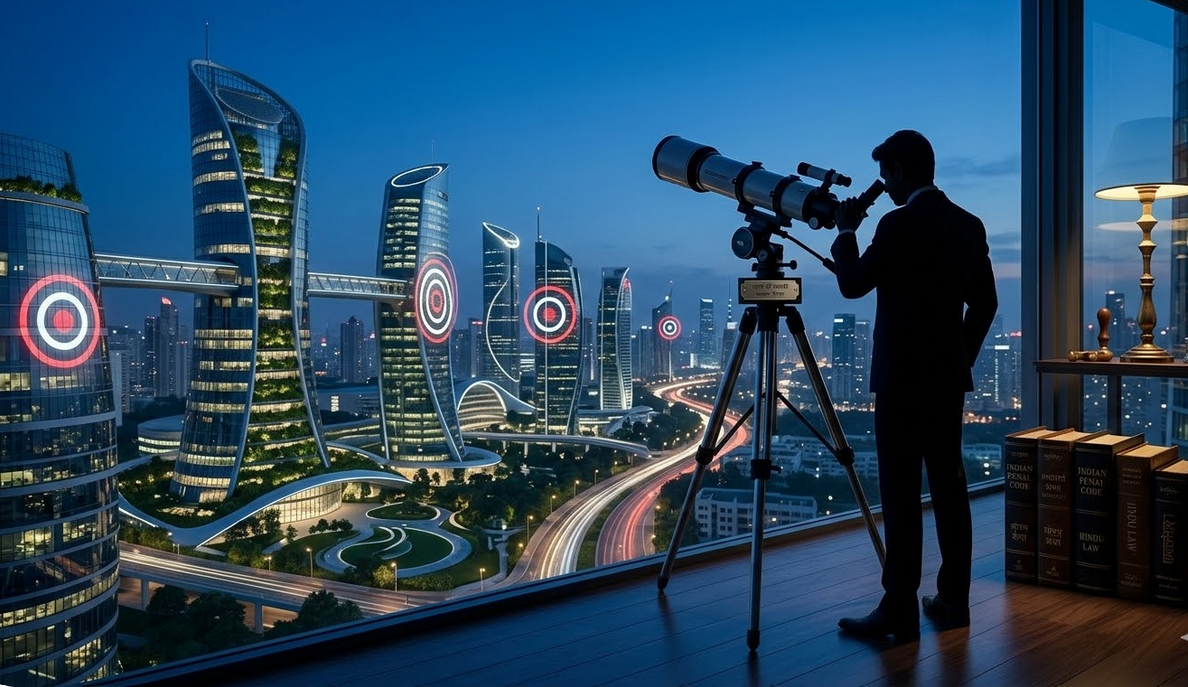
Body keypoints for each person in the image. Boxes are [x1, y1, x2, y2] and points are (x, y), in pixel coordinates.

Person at [830, 130, 997, 644]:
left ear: (900, 170)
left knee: (902, 496)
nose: (884, 185)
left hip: (901, 381)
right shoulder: (969, 225)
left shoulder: (896, 225)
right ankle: (954, 602)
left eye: (886, 175)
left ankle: (898, 608)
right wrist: (956, 360)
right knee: (950, 491)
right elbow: (985, 304)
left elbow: (853, 283)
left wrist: (845, 232)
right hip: (946, 383)